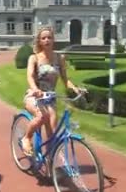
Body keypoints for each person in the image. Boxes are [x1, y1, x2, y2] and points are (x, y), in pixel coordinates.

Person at [21, 26, 83, 156]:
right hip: (34, 96)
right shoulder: (34, 58)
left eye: (49, 37)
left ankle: (51, 164)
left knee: (52, 133)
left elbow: (65, 80)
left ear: (53, 39)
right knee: (42, 117)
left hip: (50, 98)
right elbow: (30, 76)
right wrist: (35, 89)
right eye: (43, 38)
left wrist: (75, 88)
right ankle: (26, 138)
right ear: (39, 41)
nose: (47, 40)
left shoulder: (59, 58)